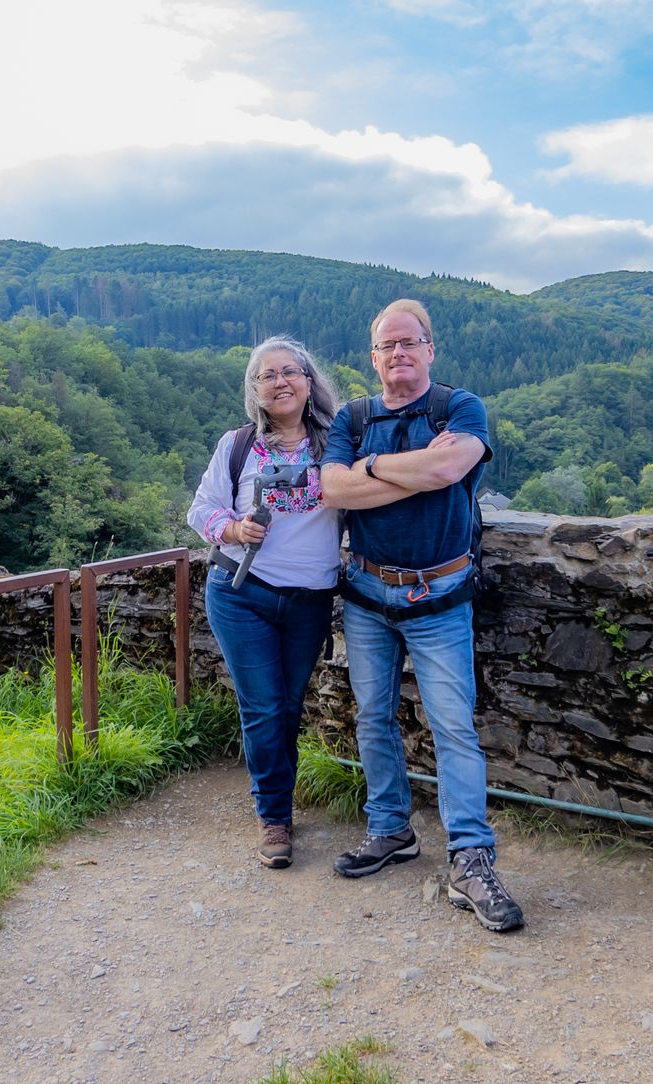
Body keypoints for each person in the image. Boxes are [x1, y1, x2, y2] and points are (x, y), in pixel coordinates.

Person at [319, 299, 524, 932]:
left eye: (411, 342)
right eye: (388, 345)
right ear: (373, 357)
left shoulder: (460, 408)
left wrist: (374, 467)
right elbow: (332, 489)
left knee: (453, 726)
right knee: (373, 718)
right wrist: (418, 473)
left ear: (430, 350)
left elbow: (448, 465)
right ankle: (390, 831)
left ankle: (471, 857)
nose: (400, 353)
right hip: (366, 595)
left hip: (440, 596)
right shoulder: (351, 417)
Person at [187, 336, 342, 868]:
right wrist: (231, 528)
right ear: (254, 389)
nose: (280, 381)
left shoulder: (337, 441)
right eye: (267, 375)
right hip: (240, 592)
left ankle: (278, 802)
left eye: (290, 371)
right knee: (264, 708)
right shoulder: (238, 445)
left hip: (309, 599)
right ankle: (274, 817)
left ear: (308, 379)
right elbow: (200, 509)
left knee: (290, 707)